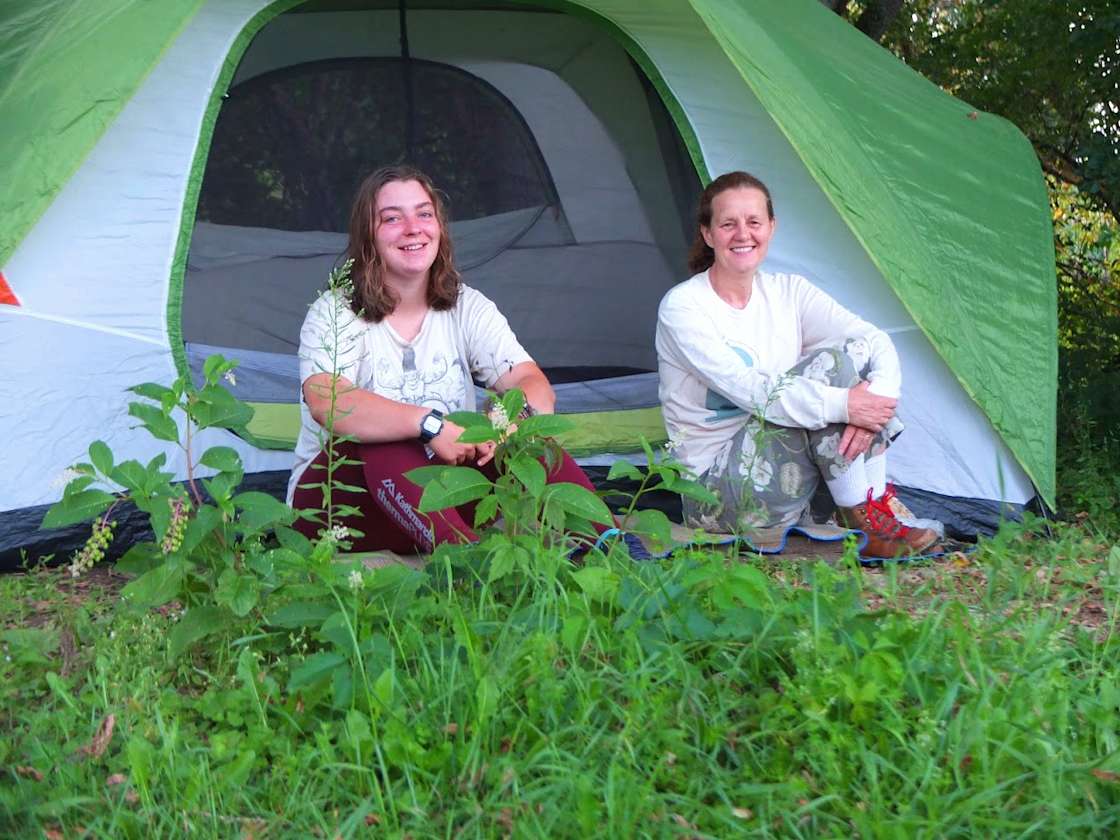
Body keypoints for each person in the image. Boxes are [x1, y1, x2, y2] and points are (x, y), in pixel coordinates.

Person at [287, 165, 619, 555]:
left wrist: (510, 424)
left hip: (441, 495)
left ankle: (612, 545)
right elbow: (328, 401)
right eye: (392, 218)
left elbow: (532, 384)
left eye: (424, 214)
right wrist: (427, 425)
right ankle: (466, 559)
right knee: (385, 436)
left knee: (530, 439)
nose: (413, 228)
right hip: (341, 510)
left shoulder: (467, 306)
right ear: (368, 235)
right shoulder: (335, 311)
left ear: (440, 228)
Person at [655, 171, 938, 558]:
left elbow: (872, 340)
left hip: (790, 479)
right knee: (833, 371)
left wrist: (878, 396)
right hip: (716, 494)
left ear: (771, 227)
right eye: (727, 224)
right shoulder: (683, 307)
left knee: (852, 361)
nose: (743, 234)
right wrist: (844, 404)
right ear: (707, 233)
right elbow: (754, 391)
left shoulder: (789, 292)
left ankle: (870, 508)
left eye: (754, 222)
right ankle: (870, 526)